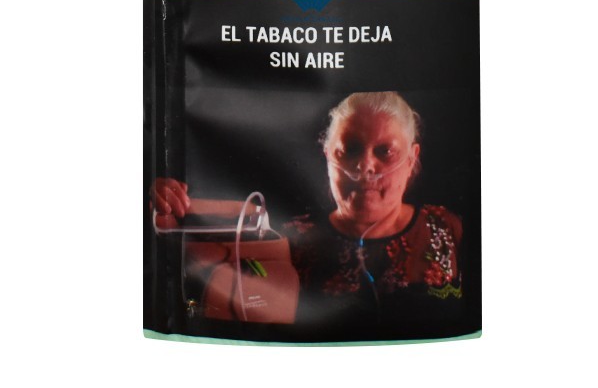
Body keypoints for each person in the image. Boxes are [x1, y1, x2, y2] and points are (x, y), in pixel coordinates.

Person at [150, 91, 464, 334]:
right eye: (350, 149)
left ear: (411, 158)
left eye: (385, 151)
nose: (365, 166)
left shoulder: (447, 226)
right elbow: (192, 251)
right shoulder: (289, 238)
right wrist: (165, 200)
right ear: (328, 155)